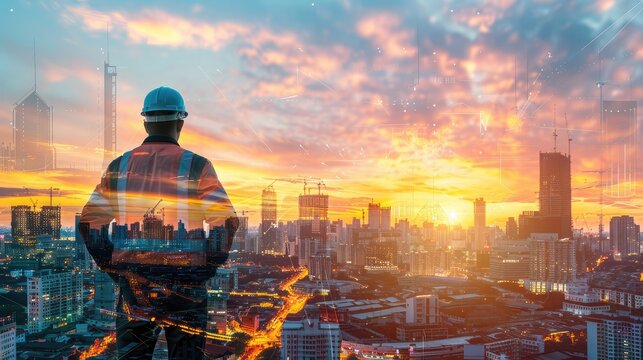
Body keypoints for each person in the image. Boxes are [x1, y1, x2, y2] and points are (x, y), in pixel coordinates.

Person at [80, 86, 238, 359]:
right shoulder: (196, 166)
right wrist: (204, 270)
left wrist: (115, 269)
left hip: (135, 288)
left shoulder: (120, 166)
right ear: (180, 121)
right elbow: (226, 222)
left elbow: (89, 223)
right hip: (186, 287)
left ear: (145, 121)